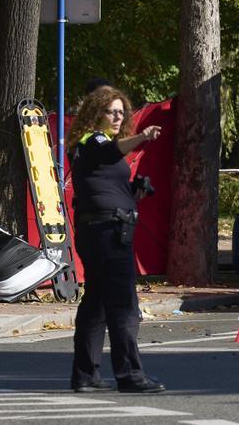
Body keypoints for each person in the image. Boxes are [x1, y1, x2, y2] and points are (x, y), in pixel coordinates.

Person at [67, 86, 165, 394]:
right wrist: (143, 136)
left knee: (96, 303)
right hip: (107, 231)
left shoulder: (94, 145)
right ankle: (130, 376)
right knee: (123, 305)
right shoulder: (93, 140)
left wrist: (134, 189)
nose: (119, 117)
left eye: (122, 112)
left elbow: (103, 180)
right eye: (113, 111)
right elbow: (109, 152)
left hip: (101, 229)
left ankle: (86, 375)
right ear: (97, 112)